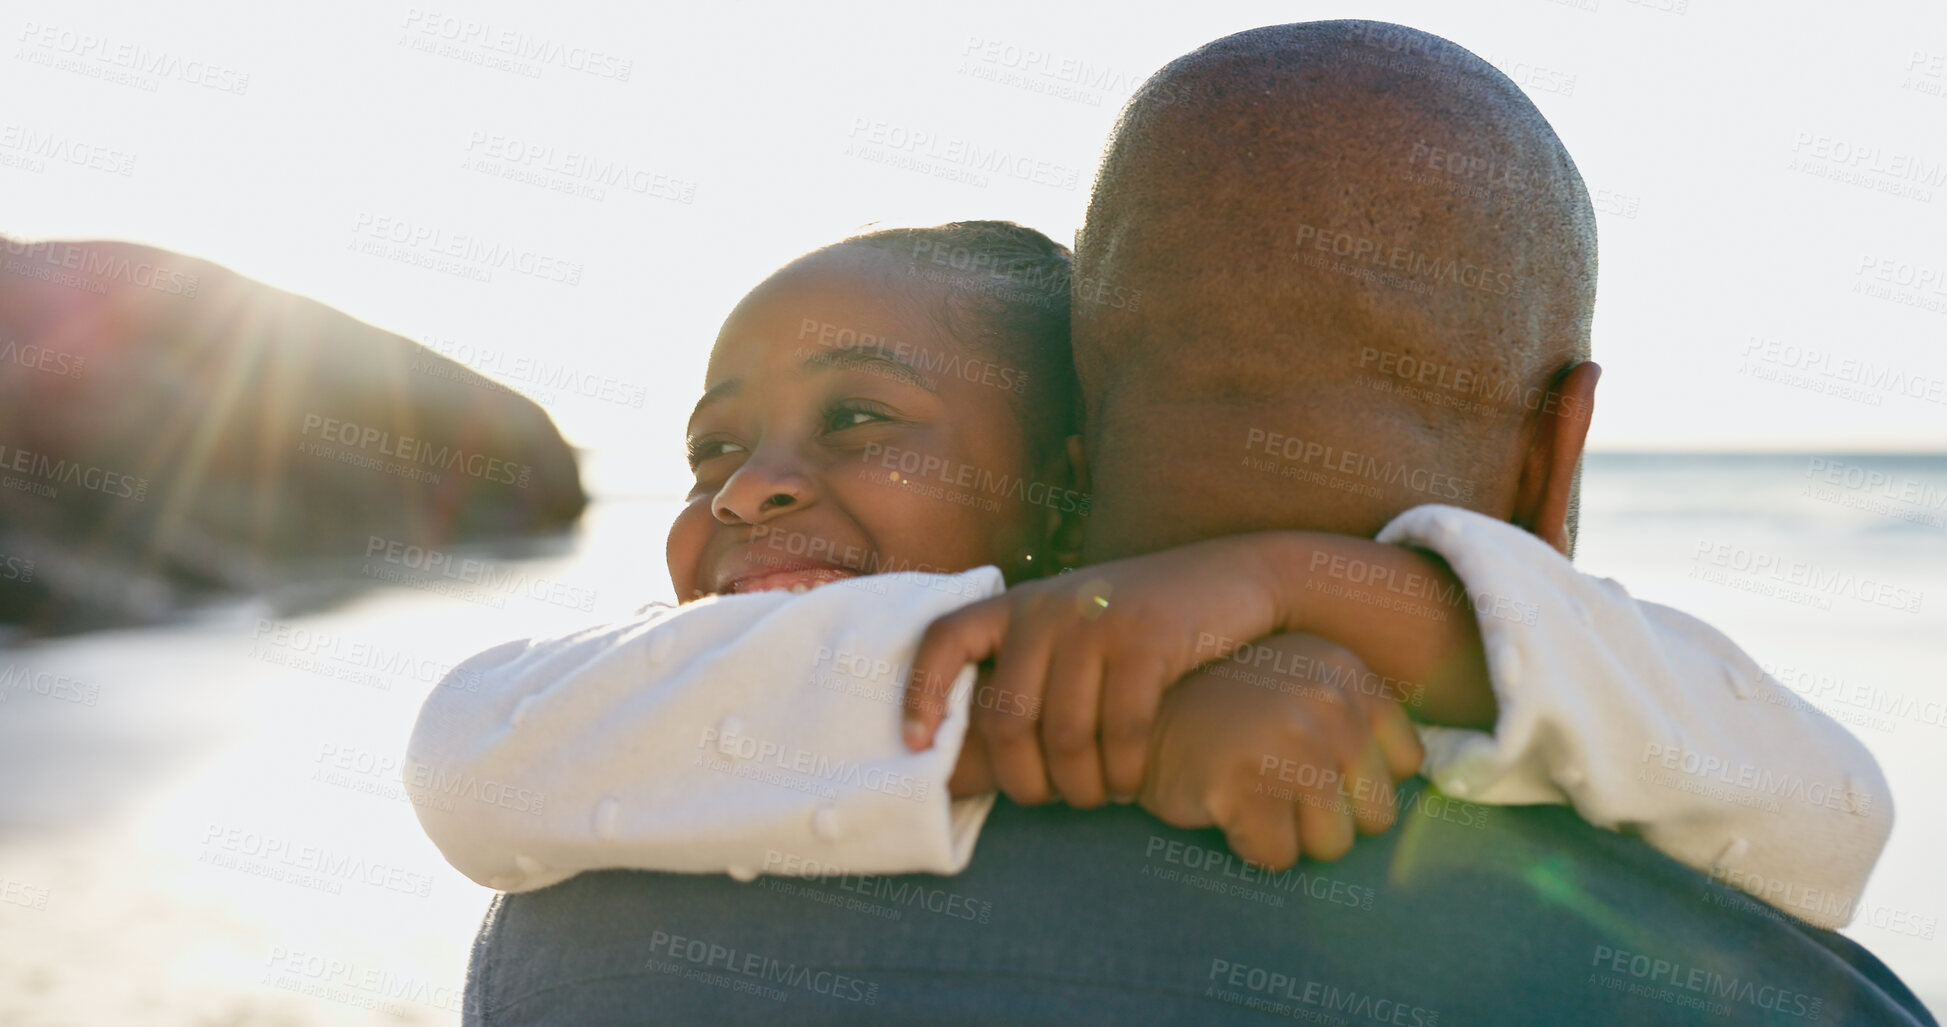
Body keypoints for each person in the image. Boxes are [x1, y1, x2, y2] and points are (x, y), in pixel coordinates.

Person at [439, 21, 1937, 1025]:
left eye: (864, 421)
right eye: (708, 449)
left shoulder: (591, 923)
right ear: (1563, 457)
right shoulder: (1737, 974)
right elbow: (1826, 809)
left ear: (1068, 479)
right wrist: (1115, 700)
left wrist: (1303, 598)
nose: (748, 487)